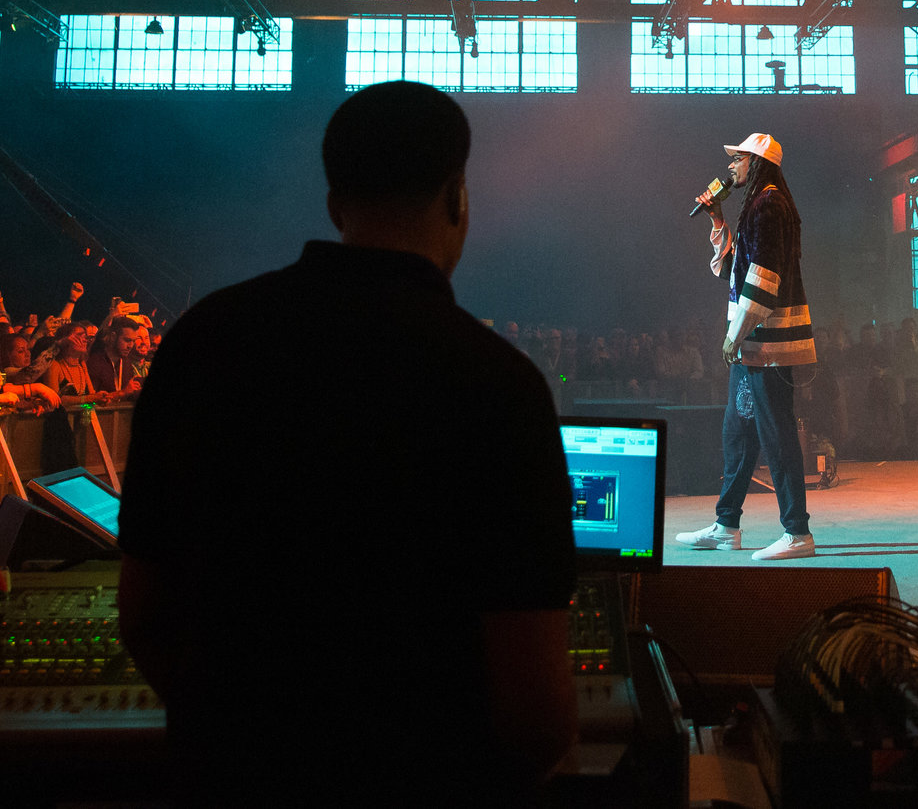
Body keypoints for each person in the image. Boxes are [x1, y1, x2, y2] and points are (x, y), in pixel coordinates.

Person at [117, 81, 575, 806]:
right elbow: (536, 716)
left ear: (335, 204)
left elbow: (142, 614)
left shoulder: (203, 342)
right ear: (457, 196)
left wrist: (243, 740)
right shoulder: (499, 384)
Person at [675, 132, 818, 561]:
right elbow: (736, 269)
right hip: (754, 346)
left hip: (766, 345)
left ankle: (797, 533)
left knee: (776, 434)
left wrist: (734, 334)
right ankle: (726, 525)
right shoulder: (759, 204)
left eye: (738, 159)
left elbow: (763, 280)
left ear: (756, 163)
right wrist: (717, 219)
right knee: (738, 432)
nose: (731, 166)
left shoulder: (769, 204)